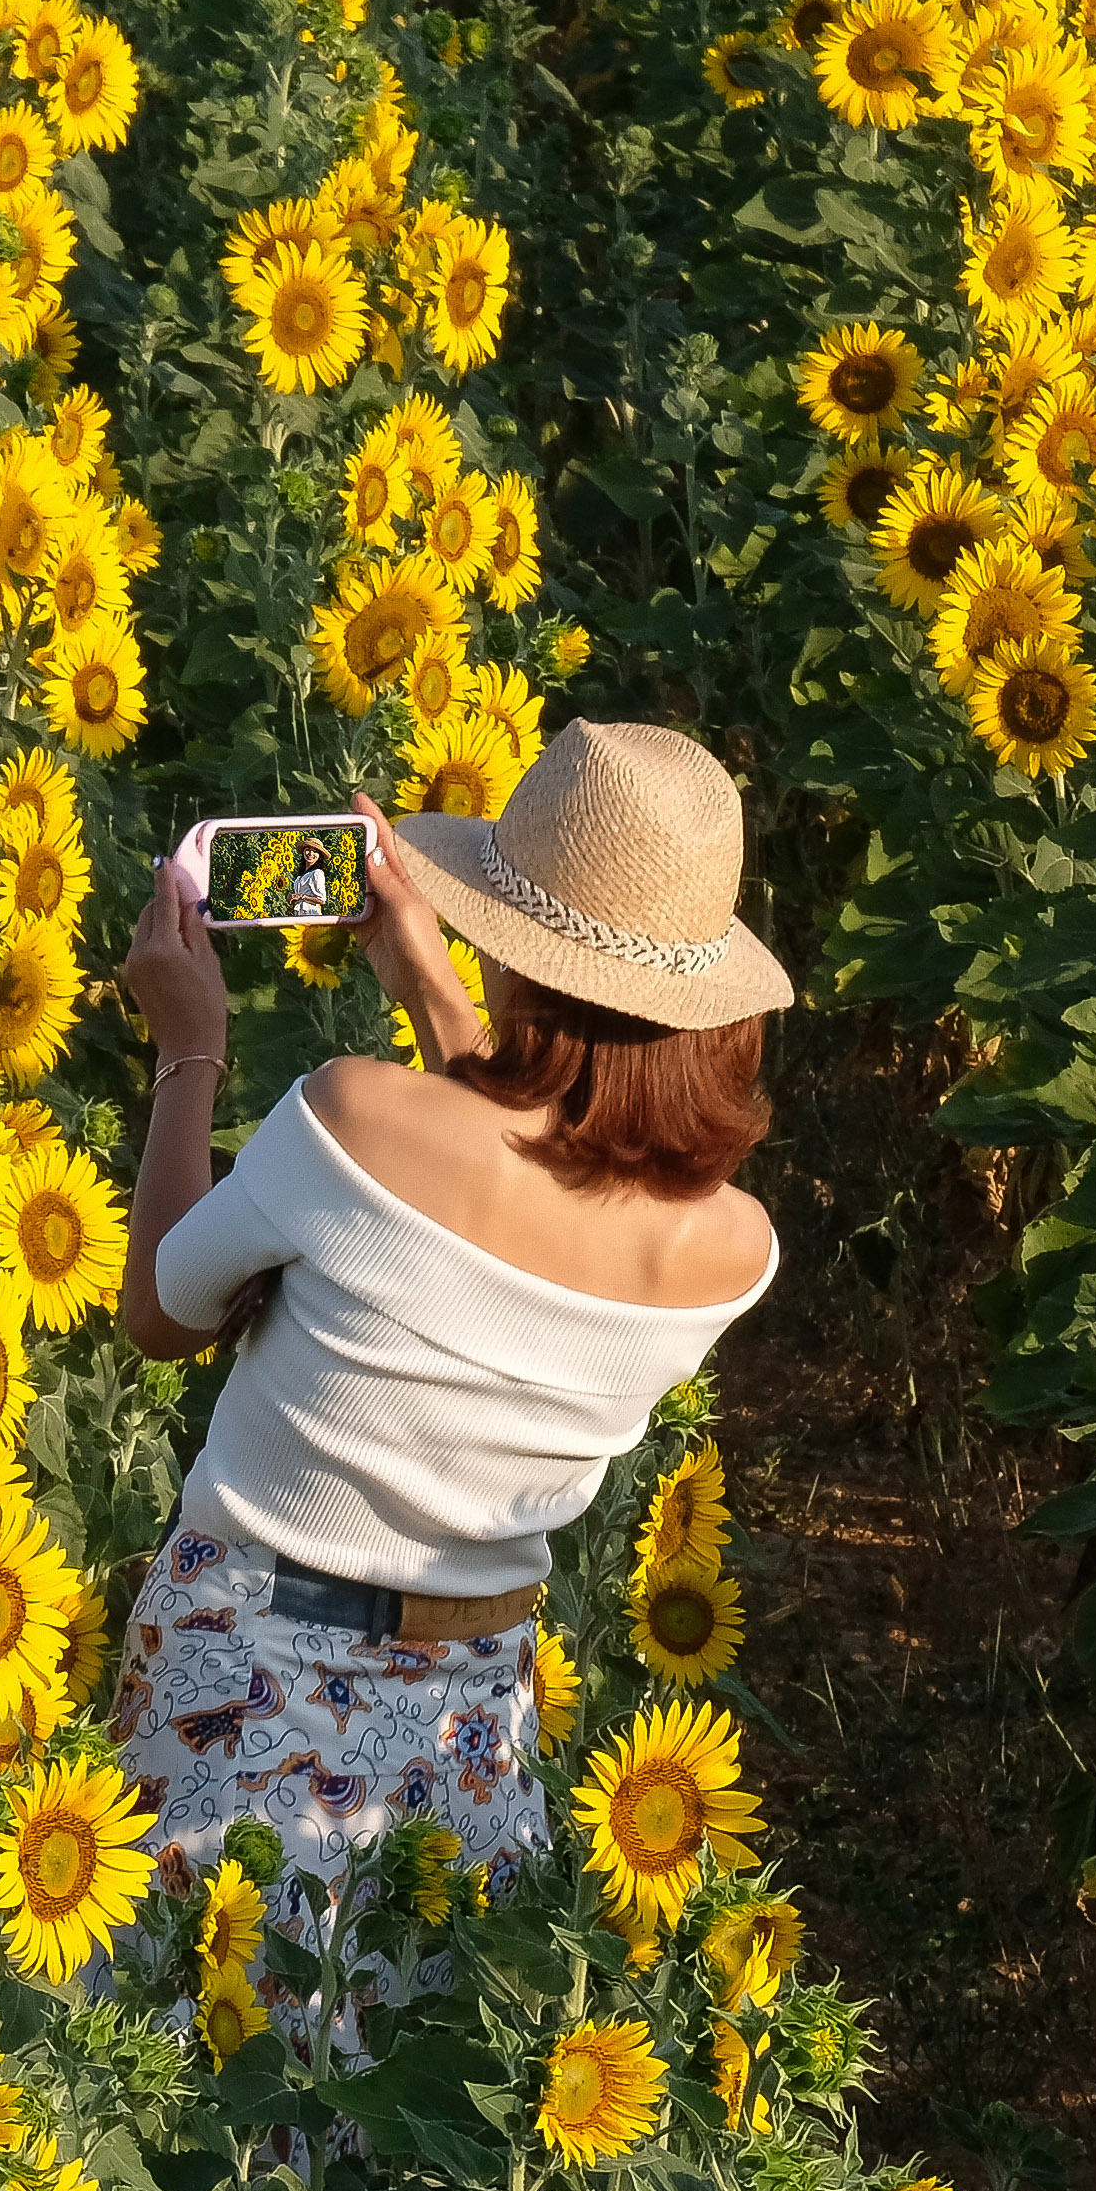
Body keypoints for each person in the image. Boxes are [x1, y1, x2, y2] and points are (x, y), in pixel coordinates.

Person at [109, 718, 789, 2027]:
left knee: (188, 2075)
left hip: (242, 1665)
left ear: (516, 943)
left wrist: (189, 1046)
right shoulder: (730, 1250)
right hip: (469, 1724)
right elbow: (524, 1177)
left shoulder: (354, 1117)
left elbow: (159, 1309)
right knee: (392, 2108)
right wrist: (434, 991)